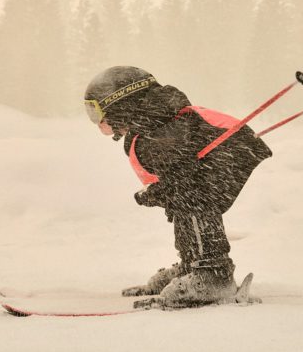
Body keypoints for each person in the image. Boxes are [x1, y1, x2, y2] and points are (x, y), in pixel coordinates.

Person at [83, 65, 273, 308]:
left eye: (96, 112)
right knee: (184, 198)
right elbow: (178, 176)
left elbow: (184, 180)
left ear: (120, 104)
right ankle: (192, 264)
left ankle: (213, 273)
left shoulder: (160, 132)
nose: (97, 122)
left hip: (231, 154)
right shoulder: (152, 125)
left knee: (191, 197)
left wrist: (160, 192)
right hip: (222, 156)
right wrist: (163, 191)